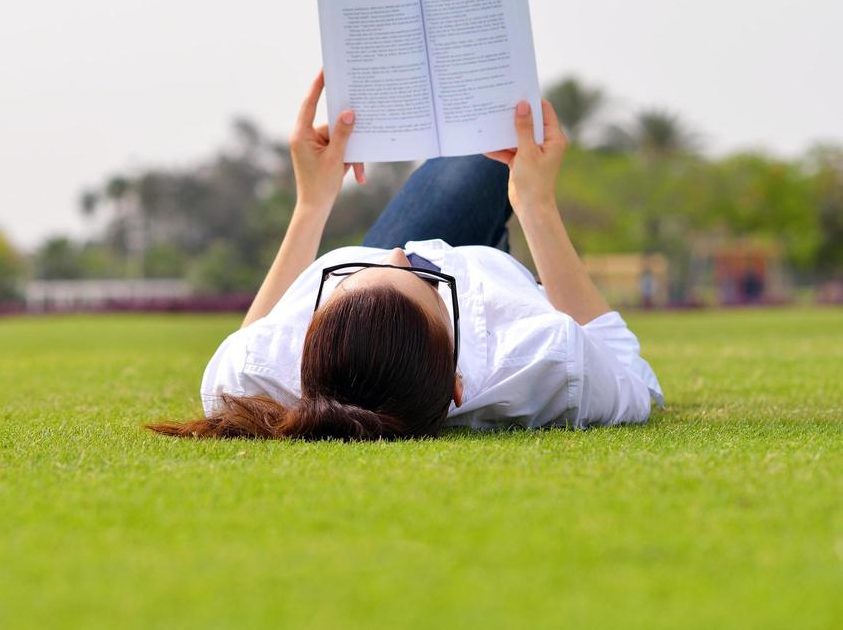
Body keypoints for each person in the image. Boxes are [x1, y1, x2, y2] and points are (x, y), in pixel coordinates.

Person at [147, 72, 664, 441]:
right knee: (490, 150)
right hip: (510, 290)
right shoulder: (544, 356)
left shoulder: (260, 371)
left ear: (309, 341)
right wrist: (536, 205)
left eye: (360, 269)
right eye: (426, 276)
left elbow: (253, 337)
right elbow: (635, 376)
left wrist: (312, 202)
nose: (400, 249)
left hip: (390, 333)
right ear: (458, 384)